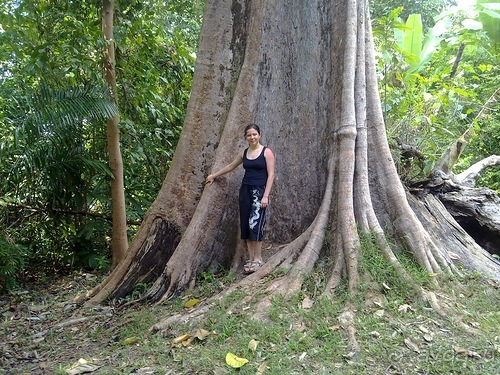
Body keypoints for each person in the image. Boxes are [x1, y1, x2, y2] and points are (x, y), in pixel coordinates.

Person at [206, 124, 275, 273]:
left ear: (259, 135)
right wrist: (214, 175)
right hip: (245, 191)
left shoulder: (266, 152)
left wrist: (265, 196)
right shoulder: (244, 153)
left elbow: (271, 175)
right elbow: (231, 166)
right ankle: (250, 258)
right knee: (245, 224)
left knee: (255, 224)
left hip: (259, 191)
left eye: (255, 134)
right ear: (246, 137)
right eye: (249, 135)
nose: (252, 137)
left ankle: (258, 259)